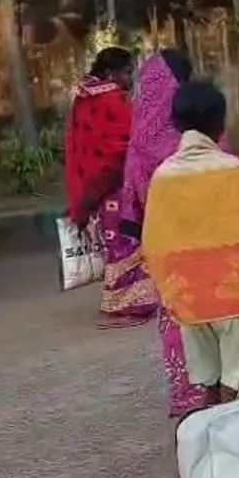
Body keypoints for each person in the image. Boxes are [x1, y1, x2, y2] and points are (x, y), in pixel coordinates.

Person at [117, 50, 239, 418]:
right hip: (234, 300)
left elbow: (152, 244)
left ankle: (209, 438)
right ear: (220, 124)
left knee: (208, 384)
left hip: (187, 302)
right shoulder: (235, 171)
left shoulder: (162, 176)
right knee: (234, 387)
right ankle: (232, 442)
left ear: (176, 122)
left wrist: (174, 296)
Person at [64, 46, 140, 328]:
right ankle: (129, 303)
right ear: (110, 73)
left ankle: (119, 300)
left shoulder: (82, 99)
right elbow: (126, 141)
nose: (130, 80)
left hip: (93, 184)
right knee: (127, 243)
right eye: (127, 73)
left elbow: (79, 145)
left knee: (113, 243)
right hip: (116, 181)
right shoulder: (114, 100)